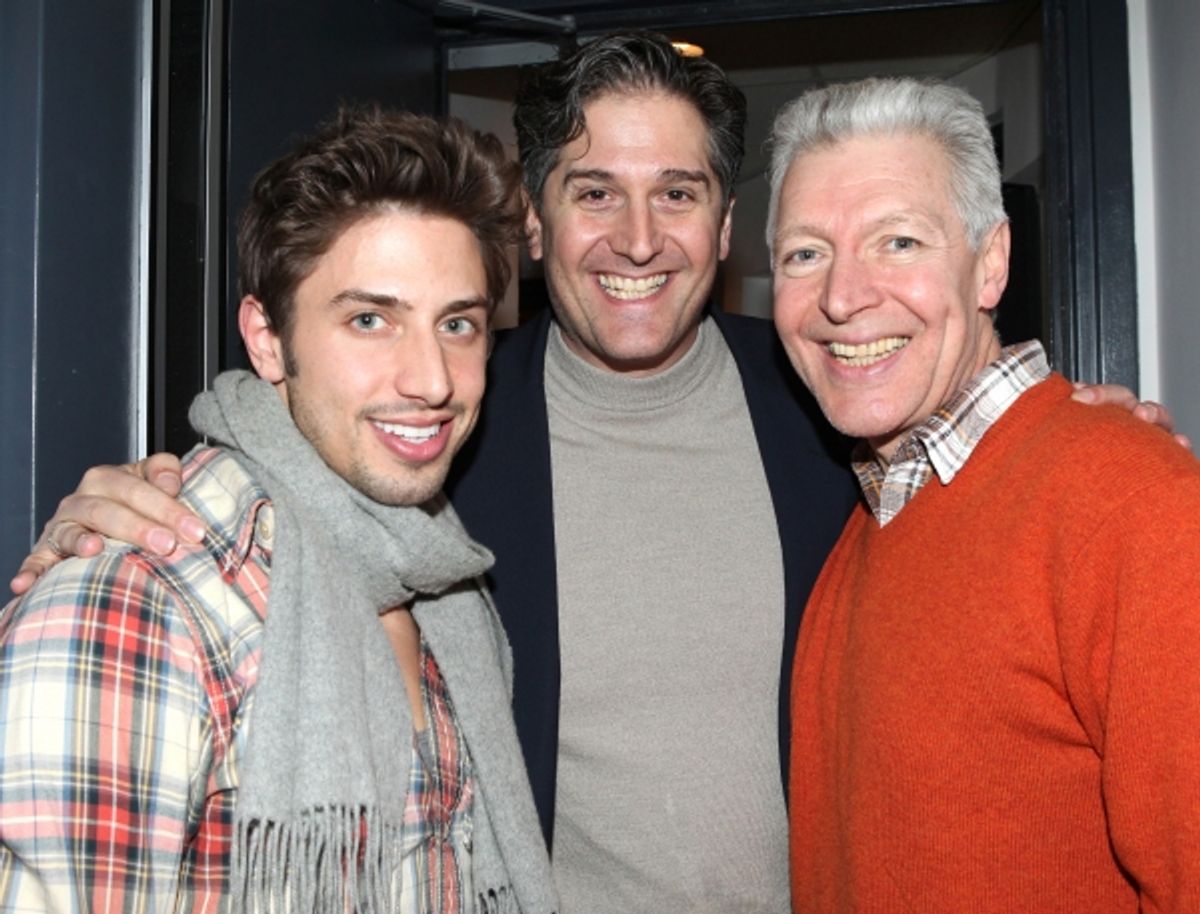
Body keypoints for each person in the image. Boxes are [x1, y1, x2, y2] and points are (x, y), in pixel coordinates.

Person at [7, 33, 1183, 914]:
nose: (635, 237)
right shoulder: (447, 429)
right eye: (592, 193)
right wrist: (117, 512)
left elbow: (984, 472)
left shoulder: (829, 410)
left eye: (676, 193)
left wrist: (1082, 435)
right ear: (533, 223)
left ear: (725, 232)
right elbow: (290, 475)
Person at [0, 108, 556, 913]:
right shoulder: (136, 606)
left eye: (458, 324)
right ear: (266, 339)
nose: (432, 379)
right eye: (371, 320)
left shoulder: (446, 582)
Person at [767, 76, 1200, 911]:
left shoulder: (1132, 503)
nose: (843, 297)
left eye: (898, 242)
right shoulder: (868, 517)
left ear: (990, 262)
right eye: (805, 253)